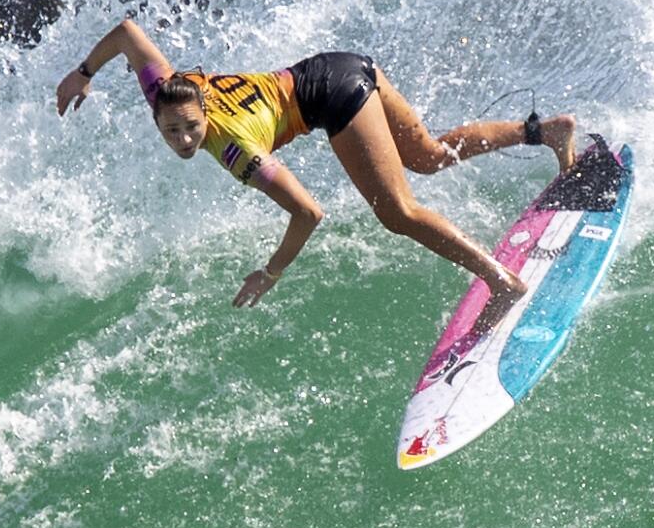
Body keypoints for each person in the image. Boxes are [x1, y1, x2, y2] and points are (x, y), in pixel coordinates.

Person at [53, 18, 577, 318]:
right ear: (156, 113)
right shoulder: (168, 90)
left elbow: (308, 211)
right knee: (430, 158)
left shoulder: (234, 148)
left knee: (397, 212)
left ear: (205, 113)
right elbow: (126, 32)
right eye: (172, 132)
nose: (185, 140)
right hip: (342, 63)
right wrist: (82, 73)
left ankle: (501, 281)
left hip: (334, 95)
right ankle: (546, 132)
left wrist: (272, 270)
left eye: (191, 128)